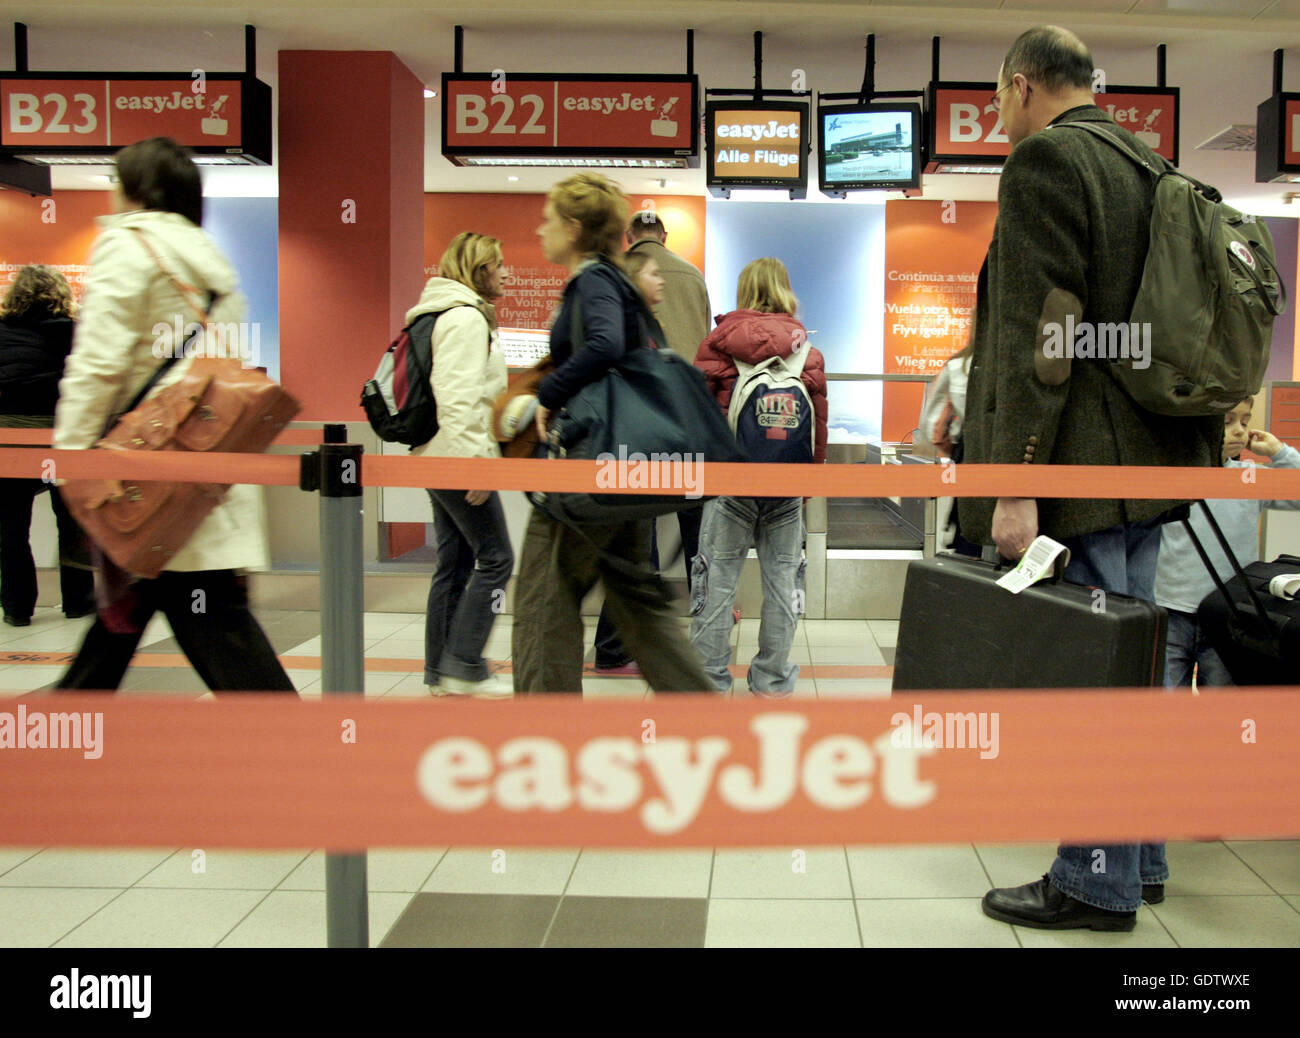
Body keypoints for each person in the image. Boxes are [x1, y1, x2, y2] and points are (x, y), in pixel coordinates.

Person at [959, 28, 1223, 932]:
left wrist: (1016, 480)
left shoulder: (1045, 162)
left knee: (1092, 679)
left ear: (1023, 85)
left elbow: (1048, 333)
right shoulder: (1146, 166)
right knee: (1134, 668)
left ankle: (1094, 880)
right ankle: (1139, 861)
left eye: (997, 101)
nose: (997, 120)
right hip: (1145, 467)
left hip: (1081, 470)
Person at [53, 137, 295, 694]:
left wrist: (69, 459)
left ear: (136, 188)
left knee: (204, 624)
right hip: (196, 479)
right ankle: (56, 746)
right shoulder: (212, 263)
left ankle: (299, 756)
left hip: (142, 478)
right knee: (148, 618)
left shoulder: (127, 248)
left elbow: (97, 363)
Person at [511, 173, 712, 695]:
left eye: (549, 220)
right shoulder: (617, 279)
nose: (540, 230)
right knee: (639, 607)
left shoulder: (594, 279)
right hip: (621, 467)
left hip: (585, 467)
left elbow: (603, 344)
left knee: (542, 601)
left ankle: (543, 734)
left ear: (575, 227)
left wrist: (549, 392)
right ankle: (705, 715)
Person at [690, 258, 827, 696]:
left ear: (743, 291)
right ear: (786, 291)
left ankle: (709, 684)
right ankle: (770, 682)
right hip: (787, 487)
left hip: (731, 483)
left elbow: (700, 416)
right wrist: (807, 486)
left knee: (716, 587)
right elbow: (818, 428)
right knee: (783, 588)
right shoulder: (808, 351)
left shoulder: (718, 345)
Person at [411, 232, 514, 698]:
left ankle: (440, 672)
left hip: (436, 457)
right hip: (457, 459)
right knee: (496, 558)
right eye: (498, 265)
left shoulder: (438, 312)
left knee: (453, 563)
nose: (506, 272)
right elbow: (457, 399)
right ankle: (465, 664)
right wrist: (475, 466)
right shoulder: (465, 318)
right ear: (478, 272)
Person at [1155, 399, 1300, 688]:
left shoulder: (1251, 476)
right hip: (1171, 610)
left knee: (1222, 711)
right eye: (1228, 422)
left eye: (1244, 422)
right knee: (1165, 710)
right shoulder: (1172, 473)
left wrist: (1279, 452)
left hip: (1230, 614)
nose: (1239, 431)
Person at [589, 248, 670, 676]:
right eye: (653, 274)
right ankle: (614, 649)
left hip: (636, 455)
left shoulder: (641, 325)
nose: (661, 280)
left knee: (637, 554)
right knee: (636, 555)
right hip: (626, 457)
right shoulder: (626, 328)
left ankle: (616, 647)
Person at [0, 265, 95, 625]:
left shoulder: (2, 330)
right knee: (71, 522)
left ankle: (17, 608)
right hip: (62, 439)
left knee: (11, 528)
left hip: (10, 440)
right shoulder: (75, 333)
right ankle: (78, 601)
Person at [627, 211, 711, 577]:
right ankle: (703, 598)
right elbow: (704, 341)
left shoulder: (620, 272)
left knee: (640, 516)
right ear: (664, 235)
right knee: (694, 512)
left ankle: (649, 600)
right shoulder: (692, 275)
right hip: (687, 409)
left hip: (638, 411)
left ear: (629, 236)